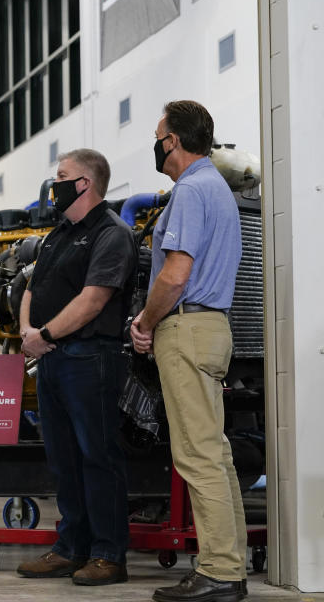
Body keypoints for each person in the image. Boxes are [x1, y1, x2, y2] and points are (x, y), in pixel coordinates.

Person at [131, 101, 246, 602]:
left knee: (198, 456)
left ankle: (220, 571)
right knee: (215, 454)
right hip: (212, 327)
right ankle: (229, 564)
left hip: (187, 326)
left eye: (159, 135)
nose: (156, 144)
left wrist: (146, 321)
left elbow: (175, 273)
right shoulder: (217, 187)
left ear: (173, 140)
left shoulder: (192, 189)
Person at [16, 149, 136, 585]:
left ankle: (108, 555)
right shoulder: (57, 234)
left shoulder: (112, 233)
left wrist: (43, 337)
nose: (55, 184)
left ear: (84, 183)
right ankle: (71, 548)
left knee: (97, 456)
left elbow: (93, 300)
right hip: (52, 360)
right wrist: (30, 332)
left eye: (61, 176)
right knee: (63, 459)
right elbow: (31, 286)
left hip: (90, 359)